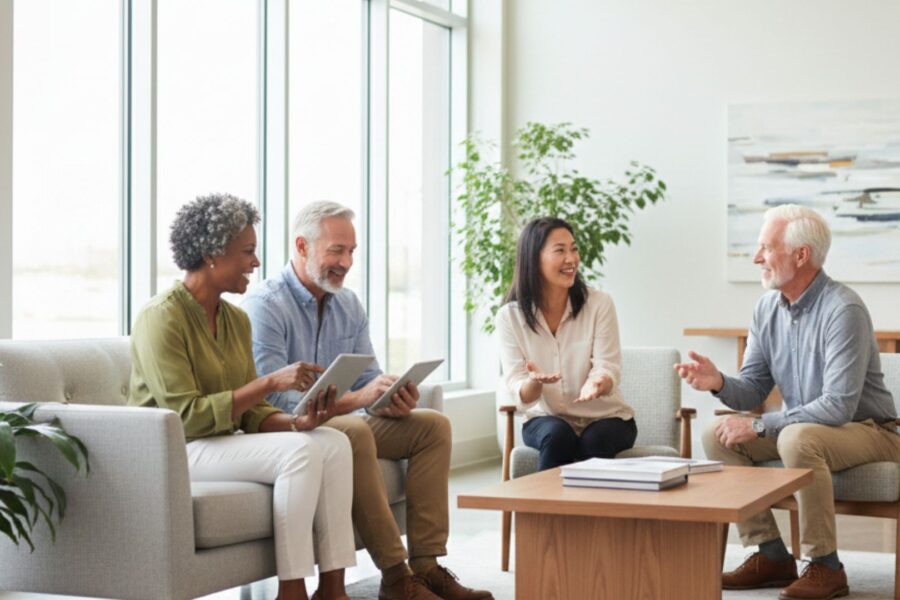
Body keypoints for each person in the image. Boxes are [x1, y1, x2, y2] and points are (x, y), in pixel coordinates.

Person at [242, 201, 493, 600]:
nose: (346, 262)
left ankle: (426, 567)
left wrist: (389, 396)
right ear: (302, 246)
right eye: (336, 251)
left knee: (432, 426)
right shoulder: (265, 305)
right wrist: (359, 398)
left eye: (351, 251)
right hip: (289, 431)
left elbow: (366, 377)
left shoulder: (348, 303)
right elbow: (277, 401)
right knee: (353, 432)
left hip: (340, 421)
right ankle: (396, 576)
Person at [128, 194, 355, 600]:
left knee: (333, 443)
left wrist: (297, 422)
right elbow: (184, 417)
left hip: (219, 443)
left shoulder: (235, 319)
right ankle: (292, 591)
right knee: (300, 453)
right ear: (212, 255)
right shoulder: (161, 317)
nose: (256, 262)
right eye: (247, 251)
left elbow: (251, 415)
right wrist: (269, 383)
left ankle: (333, 590)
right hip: (174, 450)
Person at [675, 204, 900, 600]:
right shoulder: (767, 309)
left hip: (871, 431)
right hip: (809, 429)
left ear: (801, 255)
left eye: (766, 247)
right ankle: (771, 555)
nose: (756, 258)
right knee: (716, 434)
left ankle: (826, 565)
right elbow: (753, 388)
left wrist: (761, 425)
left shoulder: (843, 309)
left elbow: (838, 406)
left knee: (796, 438)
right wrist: (719, 382)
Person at [495, 217, 637, 471]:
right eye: (560, 251)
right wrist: (534, 383)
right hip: (545, 418)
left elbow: (608, 365)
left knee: (595, 440)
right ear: (533, 258)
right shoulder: (509, 317)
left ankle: (589, 500)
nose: (571, 259)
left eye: (574, 249)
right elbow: (517, 385)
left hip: (607, 418)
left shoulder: (599, 304)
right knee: (557, 436)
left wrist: (599, 382)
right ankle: (545, 500)